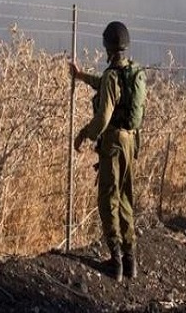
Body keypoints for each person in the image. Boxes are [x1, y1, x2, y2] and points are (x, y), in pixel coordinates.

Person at [72, 21, 145, 282]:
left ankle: (115, 262)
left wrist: (84, 134)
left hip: (113, 143)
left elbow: (103, 117)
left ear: (108, 46)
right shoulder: (132, 72)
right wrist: (82, 77)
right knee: (126, 198)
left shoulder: (113, 76)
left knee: (107, 199)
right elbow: (106, 85)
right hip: (131, 142)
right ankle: (130, 260)